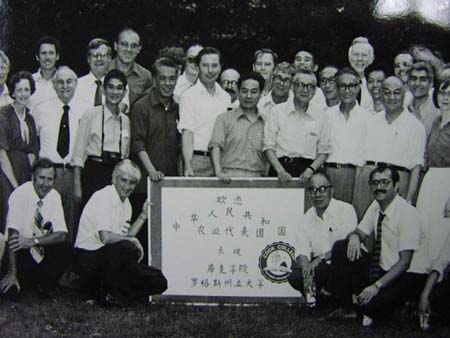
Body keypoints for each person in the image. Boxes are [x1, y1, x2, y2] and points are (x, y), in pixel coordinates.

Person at [327, 166, 422, 327]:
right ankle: (347, 308)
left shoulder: (407, 213)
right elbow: (359, 232)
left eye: (385, 182)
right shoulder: (376, 206)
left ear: (397, 185)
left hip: (407, 275)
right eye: (375, 183)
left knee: (372, 308)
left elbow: (405, 262)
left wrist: (376, 286)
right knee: (341, 247)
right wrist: (355, 237)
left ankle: (404, 304)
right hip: (381, 268)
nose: (379, 187)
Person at [74, 160, 167, 305]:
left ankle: (111, 294)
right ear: (114, 179)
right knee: (128, 249)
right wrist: (132, 241)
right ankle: (108, 292)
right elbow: (105, 237)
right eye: (123, 180)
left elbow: (125, 236)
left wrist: (143, 216)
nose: (127, 186)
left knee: (159, 280)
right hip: (88, 258)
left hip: (109, 258)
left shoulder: (127, 204)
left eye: (132, 183)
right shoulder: (103, 197)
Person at [352, 76, 426, 219]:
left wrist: (409, 200)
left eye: (397, 92)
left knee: (392, 233)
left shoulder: (415, 126)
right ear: (380, 94)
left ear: (404, 95)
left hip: (397, 183)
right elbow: (360, 162)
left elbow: (416, 168)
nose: (392, 97)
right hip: (368, 181)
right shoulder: (371, 121)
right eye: (387, 92)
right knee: (366, 232)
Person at [33, 66, 90, 242]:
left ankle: (70, 266)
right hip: (48, 174)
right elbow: (34, 144)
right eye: (60, 82)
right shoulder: (41, 110)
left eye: (69, 82)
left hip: (74, 173)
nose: (65, 86)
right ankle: (46, 265)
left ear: (76, 83)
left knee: (72, 222)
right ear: (53, 85)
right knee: (46, 221)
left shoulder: (87, 110)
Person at [0, 158, 70, 299]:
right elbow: (13, 235)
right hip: (19, 251)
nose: (45, 184)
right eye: (41, 178)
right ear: (33, 177)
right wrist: (12, 272)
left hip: (37, 247)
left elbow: (62, 234)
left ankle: (41, 285)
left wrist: (33, 241)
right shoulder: (20, 194)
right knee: (13, 291)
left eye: (50, 179)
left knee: (65, 248)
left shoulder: (54, 196)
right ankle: (18, 280)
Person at [288, 171, 357, 306]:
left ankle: (342, 301)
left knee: (337, 265)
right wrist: (306, 267)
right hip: (321, 268)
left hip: (343, 265)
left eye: (322, 189)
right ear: (308, 194)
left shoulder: (345, 209)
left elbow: (344, 247)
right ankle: (322, 299)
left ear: (332, 190)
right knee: (296, 276)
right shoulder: (307, 218)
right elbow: (302, 248)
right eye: (313, 190)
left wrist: (319, 260)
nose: (318, 194)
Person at [72, 69, 130, 208]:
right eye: (110, 87)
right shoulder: (91, 114)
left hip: (116, 174)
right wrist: (77, 185)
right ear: (104, 90)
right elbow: (79, 153)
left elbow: (125, 154)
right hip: (94, 172)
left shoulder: (125, 120)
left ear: (124, 92)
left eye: (119, 88)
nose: (114, 92)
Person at [263, 70, 331, 184]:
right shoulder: (277, 111)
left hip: (308, 171)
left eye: (310, 86)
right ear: (293, 87)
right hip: (280, 169)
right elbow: (268, 146)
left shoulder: (321, 116)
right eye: (301, 85)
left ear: (315, 91)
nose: (305, 90)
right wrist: (280, 171)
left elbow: (324, 151)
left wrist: (311, 170)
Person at [178, 47, 231, 177]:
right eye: (205, 65)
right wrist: (188, 165)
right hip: (196, 160)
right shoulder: (189, 96)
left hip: (221, 161)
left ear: (220, 67)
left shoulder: (225, 97)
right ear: (198, 67)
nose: (210, 70)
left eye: (214, 65)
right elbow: (187, 132)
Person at [324, 67, 371, 204]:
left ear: (358, 87)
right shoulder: (327, 115)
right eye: (342, 86)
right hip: (330, 173)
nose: (347, 91)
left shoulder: (368, 118)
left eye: (351, 86)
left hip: (356, 177)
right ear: (337, 88)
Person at [0, 71, 39, 233]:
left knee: (23, 221)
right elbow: (1, 155)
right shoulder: (3, 115)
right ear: (13, 92)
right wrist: (15, 186)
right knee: (7, 219)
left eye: (27, 90)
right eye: (20, 90)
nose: (23, 94)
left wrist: (29, 182)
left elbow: (32, 152)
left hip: (25, 176)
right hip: (6, 177)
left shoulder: (30, 118)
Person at [209, 72, 266, 181]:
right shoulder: (224, 118)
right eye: (244, 91)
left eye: (254, 92)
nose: (248, 96)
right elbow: (215, 146)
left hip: (257, 179)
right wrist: (219, 172)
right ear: (238, 92)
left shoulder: (266, 122)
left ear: (260, 94)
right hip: (228, 178)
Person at [109, 28, 152, 112]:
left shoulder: (146, 77)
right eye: (124, 44)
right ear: (115, 46)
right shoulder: (104, 71)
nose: (129, 49)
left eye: (133, 46)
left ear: (139, 49)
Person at [76, 38, 113, 107]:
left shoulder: (118, 85)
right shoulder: (77, 85)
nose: (99, 59)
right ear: (88, 59)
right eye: (95, 56)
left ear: (109, 58)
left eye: (102, 55)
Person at [407, 62, 441, 137]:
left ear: (431, 83)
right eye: (413, 79)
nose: (417, 83)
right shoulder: (403, 107)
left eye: (423, 80)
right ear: (408, 82)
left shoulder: (437, 113)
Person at [29, 36, 60, 111]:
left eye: (51, 53)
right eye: (43, 53)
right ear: (37, 57)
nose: (47, 57)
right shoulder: (29, 81)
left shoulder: (63, 82)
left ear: (57, 56)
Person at [348, 37, 375, 110]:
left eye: (364, 55)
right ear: (350, 58)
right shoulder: (340, 84)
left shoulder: (375, 86)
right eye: (356, 54)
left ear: (371, 59)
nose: (360, 59)